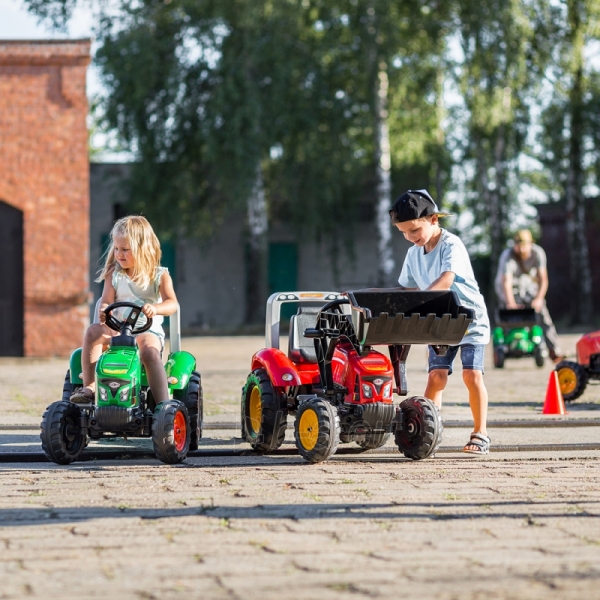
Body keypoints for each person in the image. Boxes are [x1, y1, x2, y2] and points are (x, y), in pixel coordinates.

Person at [389, 189, 491, 455]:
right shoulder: (414, 254)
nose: (410, 238)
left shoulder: (451, 244)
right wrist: (376, 299)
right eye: (404, 232)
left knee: (472, 374)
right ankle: (427, 432)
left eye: (414, 230)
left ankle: (480, 433)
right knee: (436, 377)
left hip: (469, 320)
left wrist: (422, 304)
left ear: (433, 219)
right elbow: (406, 290)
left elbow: (447, 280)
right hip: (439, 323)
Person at [70, 215, 178, 404]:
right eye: (117, 248)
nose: (119, 254)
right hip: (116, 328)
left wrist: (155, 308)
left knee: (149, 352)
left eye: (125, 250)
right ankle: (89, 387)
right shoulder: (114, 273)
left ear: (142, 248)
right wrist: (104, 311)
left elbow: (172, 303)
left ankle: (163, 405)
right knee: (93, 331)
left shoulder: (159, 275)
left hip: (146, 330)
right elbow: (105, 301)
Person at [494, 229, 564, 362]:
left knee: (543, 315)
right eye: (518, 246)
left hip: (528, 288)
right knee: (507, 317)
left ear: (531, 244)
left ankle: (554, 351)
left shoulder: (538, 253)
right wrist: (511, 303)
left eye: (524, 246)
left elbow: (543, 279)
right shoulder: (507, 255)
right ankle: (507, 344)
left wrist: (538, 299)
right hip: (509, 289)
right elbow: (506, 282)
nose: (521, 250)